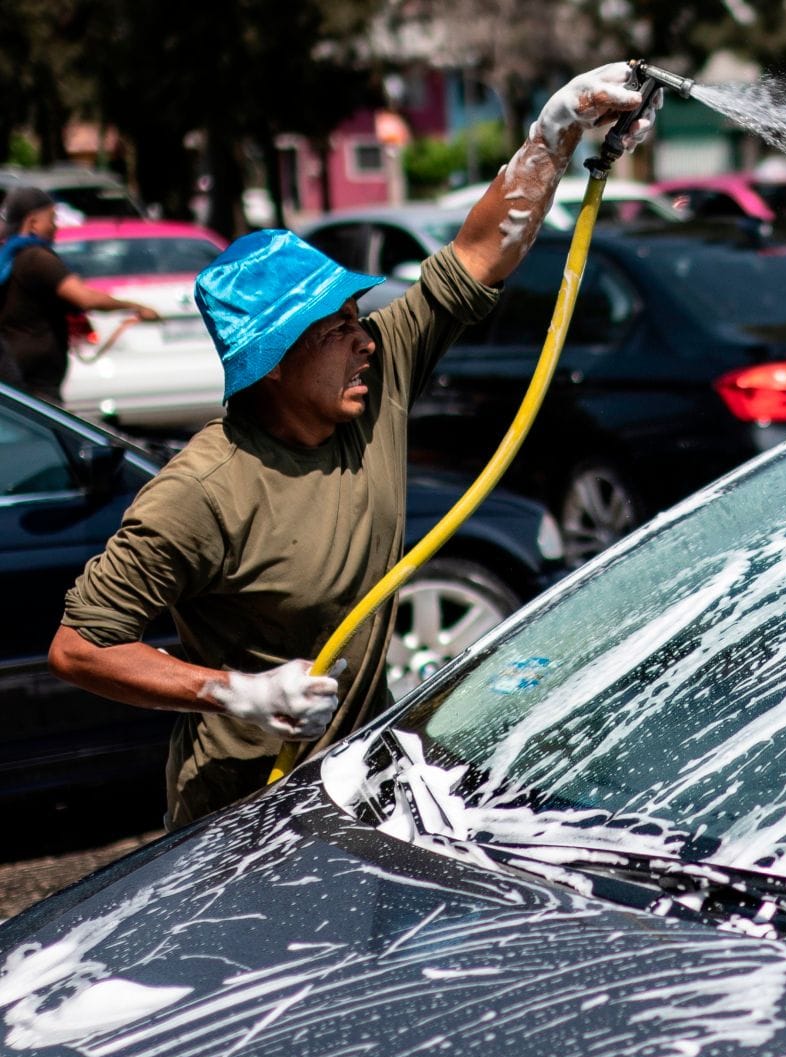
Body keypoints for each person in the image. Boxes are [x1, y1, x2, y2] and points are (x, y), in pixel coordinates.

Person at [47, 62, 658, 828]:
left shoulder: (376, 374)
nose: (364, 339)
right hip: (241, 810)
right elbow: (79, 649)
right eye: (336, 329)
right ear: (269, 364)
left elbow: (474, 253)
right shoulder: (200, 492)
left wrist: (556, 130)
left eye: (357, 316)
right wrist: (234, 692)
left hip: (353, 785)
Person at [0, 185, 162, 402]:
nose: (56, 227)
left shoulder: (9, 258)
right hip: (35, 382)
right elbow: (86, 298)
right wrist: (136, 306)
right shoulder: (36, 257)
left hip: (16, 371)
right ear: (33, 223)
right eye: (52, 218)